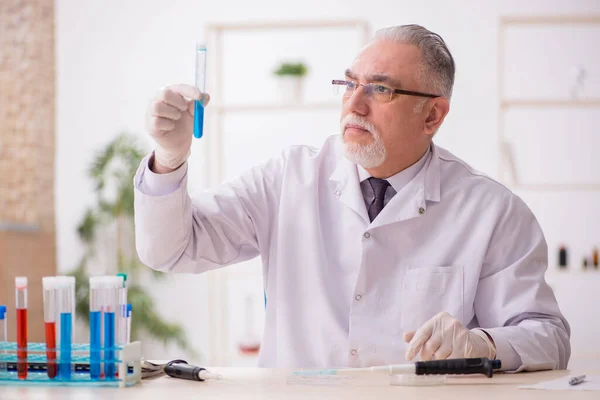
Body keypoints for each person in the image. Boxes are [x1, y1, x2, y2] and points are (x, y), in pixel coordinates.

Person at [134, 24, 570, 371]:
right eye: (348, 84)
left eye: (380, 89)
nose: (354, 105)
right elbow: (170, 250)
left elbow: (549, 336)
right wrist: (169, 159)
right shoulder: (288, 179)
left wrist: (484, 343)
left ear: (432, 115)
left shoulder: (491, 211)